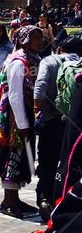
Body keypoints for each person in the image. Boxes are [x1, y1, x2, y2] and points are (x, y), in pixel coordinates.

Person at [0, 25, 45, 218]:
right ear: (24, 40)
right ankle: (8, 200)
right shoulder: (18, 62)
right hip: (14, 116)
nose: (41, 40)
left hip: (25, 113)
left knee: (21, 156)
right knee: (13, 154)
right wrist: (22, 125)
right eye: (36, 37)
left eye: (41, 36)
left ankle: (15, 198)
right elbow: (14, 95)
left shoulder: (33, 59)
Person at [32, 35, 82, 218]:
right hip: (74, 124)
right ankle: (67, 200)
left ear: (60, 48)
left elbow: (41, 85)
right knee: (69, 163)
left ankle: (45, 198)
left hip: (50, 119)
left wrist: (37, 109)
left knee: (47, 160)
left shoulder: (50, 61)